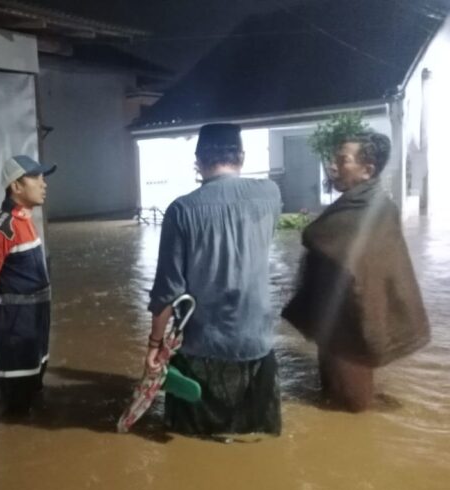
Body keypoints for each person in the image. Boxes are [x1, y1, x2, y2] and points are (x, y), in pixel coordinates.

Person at [146, 123, 283, 437]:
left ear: (198, 160)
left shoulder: (181, 210)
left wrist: (154, 345)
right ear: (242, 157)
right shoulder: (271, 194)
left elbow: (168, 290)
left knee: (193, 442)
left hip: (202, 349)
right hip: (257, 345)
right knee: (255, 440)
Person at [282, 131, 430, 412]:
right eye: (334, 159)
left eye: (342, 160)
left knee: (352, 408)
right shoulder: (355, 204)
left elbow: (370, 281)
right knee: (332, 401)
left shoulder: (374, 210)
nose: (333, 166)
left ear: (367, 170)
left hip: (352, 332)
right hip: (336, 324)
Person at [0, 155, 55, 416]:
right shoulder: (0, 229)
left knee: (34, 389)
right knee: (16, 403)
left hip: (36, 323)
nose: (43, 184)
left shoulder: (25, 222)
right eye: (36, 178)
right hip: (16, 325)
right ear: (16, 186)